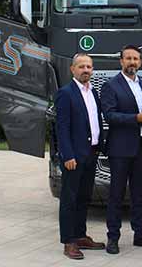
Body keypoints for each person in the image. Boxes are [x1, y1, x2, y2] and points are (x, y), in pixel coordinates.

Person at [101, 45, 142, 254]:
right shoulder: (110, 85)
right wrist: (136, 118)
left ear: (140, 62)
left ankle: (140, 234)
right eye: (128, 58)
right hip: (120, 149)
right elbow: (110, 116)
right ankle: (113, 237)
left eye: (135, 59)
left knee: (139, 195)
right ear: (121, 61)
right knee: (116, 195)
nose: (132, 62)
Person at [54, 53, 106, 260]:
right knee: (69, 199)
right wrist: (67, 155)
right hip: (73, 157)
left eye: (89, 67)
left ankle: (81, 235)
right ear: (72, 69)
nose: (86, 70)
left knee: (84, 198)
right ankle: (69, 241)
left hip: (91, 153)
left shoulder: (93, 92)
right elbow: (62, 127)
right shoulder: (65, 93)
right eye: (82, 66)